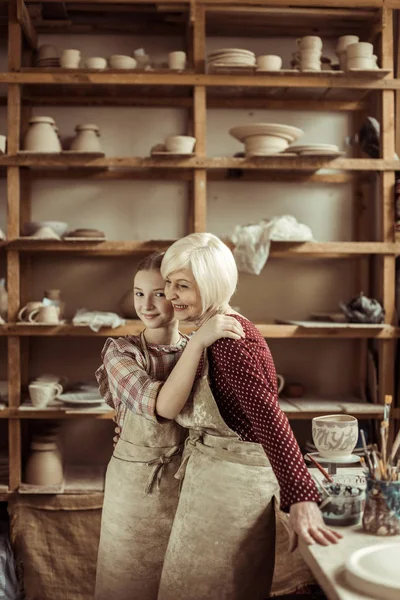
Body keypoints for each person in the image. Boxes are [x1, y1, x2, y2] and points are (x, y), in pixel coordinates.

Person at [149, 233, 342, 600]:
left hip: (231, 494)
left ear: (211, 285)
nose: (170, 295)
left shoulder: (232, 342)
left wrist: (302, 496)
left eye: (183, 286)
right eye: (169, 283)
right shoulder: (210, 331)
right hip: (210, 483)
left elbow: (271, 420)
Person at [94, 252, 243, 600]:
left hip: (191, 484)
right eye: (138, 293)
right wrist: (201, 341)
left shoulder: (199, 347)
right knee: (126, 584)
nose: (146, 304)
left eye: (159, 293)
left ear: (177, 295)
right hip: (136, 491)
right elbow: (162, 406)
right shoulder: (120, 352)